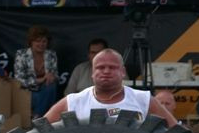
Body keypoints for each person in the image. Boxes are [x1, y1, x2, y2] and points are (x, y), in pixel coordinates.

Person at [44, 49, 178, 127]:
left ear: (123, 71)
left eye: (112, 67)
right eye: (100, 67)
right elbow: (40, 132)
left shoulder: (144, 99)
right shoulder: (73, 102)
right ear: (92, 72)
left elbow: (175, 132)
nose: (106, 71)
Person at [14, 25, 59, 118]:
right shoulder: (21, 54)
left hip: (45, 90)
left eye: (44, 41)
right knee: (40, 97)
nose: (41, 44)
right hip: (27, 92)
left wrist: (52, 77)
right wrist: (41, 79)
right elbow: (19, 80)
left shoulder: (51, 55)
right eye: (38, 41)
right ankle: (41, 119)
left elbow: (55, 76)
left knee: (51, 87)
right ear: (31, 42)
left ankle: (37, 117)